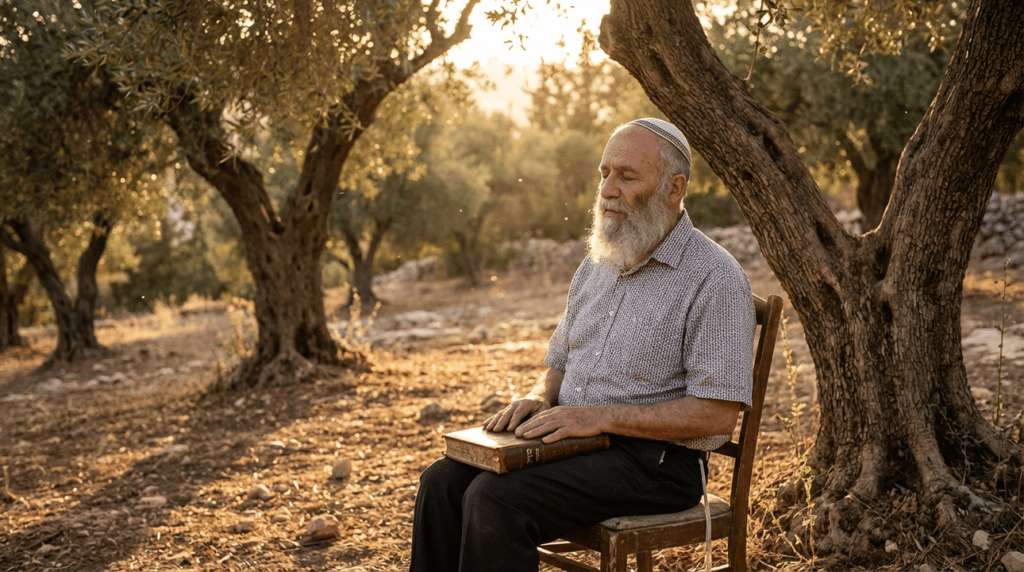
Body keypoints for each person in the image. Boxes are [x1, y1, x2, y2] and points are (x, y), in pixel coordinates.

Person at [409, 118, 755, 572]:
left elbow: (717, 415)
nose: (608, 189)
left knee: (496, 500)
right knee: (440, 483)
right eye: (604, 173)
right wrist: (538, 397)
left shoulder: (715, 277)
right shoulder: (598, 263)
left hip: (657, 465)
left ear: (674, 188)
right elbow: (558, 361)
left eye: (627, 176)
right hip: (577, 443)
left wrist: (597, 417)